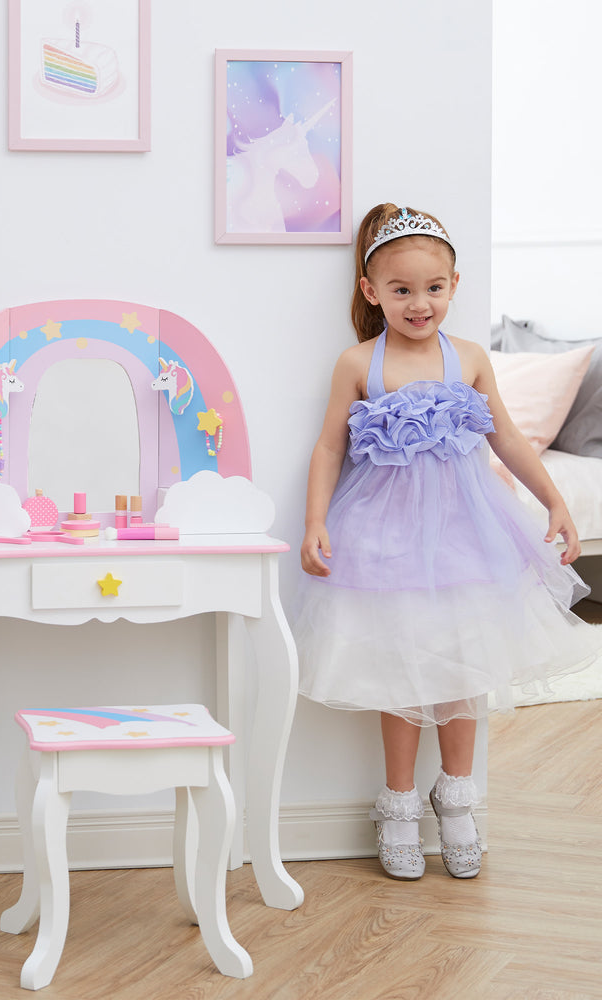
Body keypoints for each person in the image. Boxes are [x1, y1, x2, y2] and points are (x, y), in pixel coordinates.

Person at [293, 203, 600, 881]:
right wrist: (315, 521)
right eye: (401, 290)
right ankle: (398, 804)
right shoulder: (358, 363)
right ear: (372, 291)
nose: (419, 302)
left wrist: (553, 499)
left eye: (433, 288)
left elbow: (508, 438)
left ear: (454, 285)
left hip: (467, 536)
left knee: (461, 672)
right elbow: (328, 448)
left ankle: (457, 800)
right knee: (399, 675)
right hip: (382, 540)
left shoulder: (468, 358)